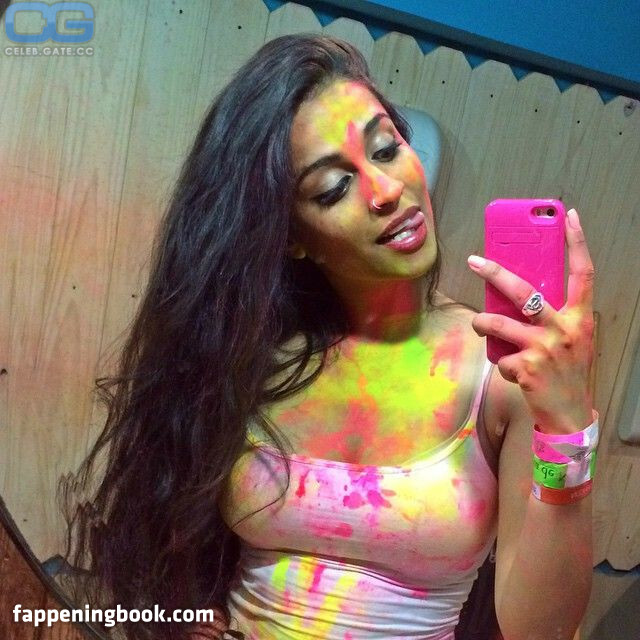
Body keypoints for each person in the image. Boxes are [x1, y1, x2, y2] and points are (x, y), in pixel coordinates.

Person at [60, 34, 598, 640]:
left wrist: (567, 426)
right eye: (334, 188)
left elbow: (541, 630)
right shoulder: (250, 356)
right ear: (290, 235)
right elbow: (170, 534)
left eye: (387, 149)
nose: (385, 191)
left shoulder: (506, 371)